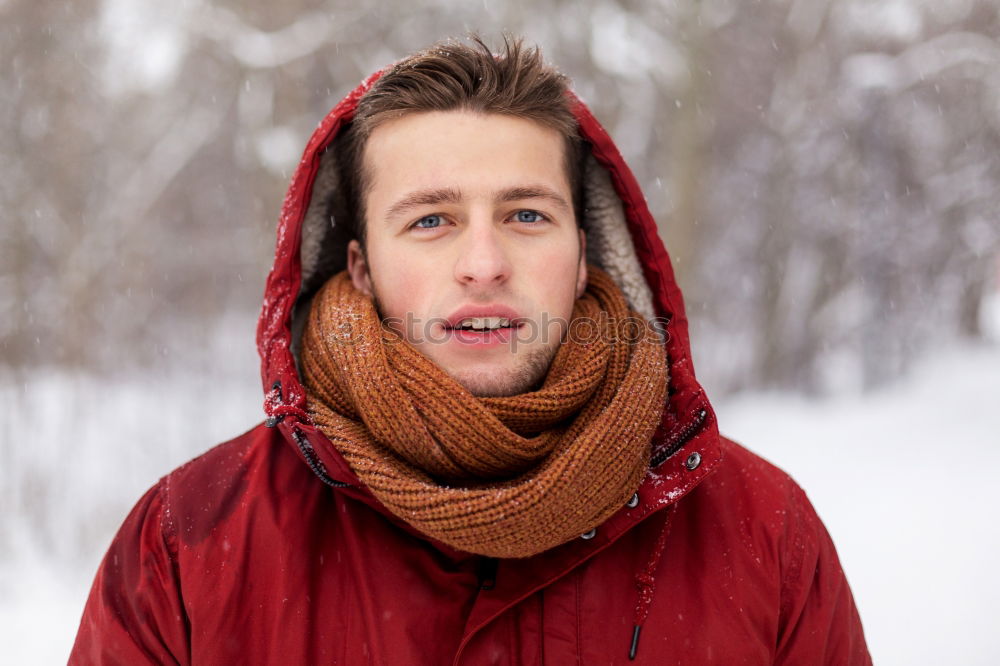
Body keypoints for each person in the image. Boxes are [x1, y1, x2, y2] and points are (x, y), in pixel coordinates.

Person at [71, 36, 871, 664]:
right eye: (431, 220)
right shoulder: (191, 544)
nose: (484, 262)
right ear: (360, 266)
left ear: (587, 252)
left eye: (526, 215)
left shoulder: (761, 533)